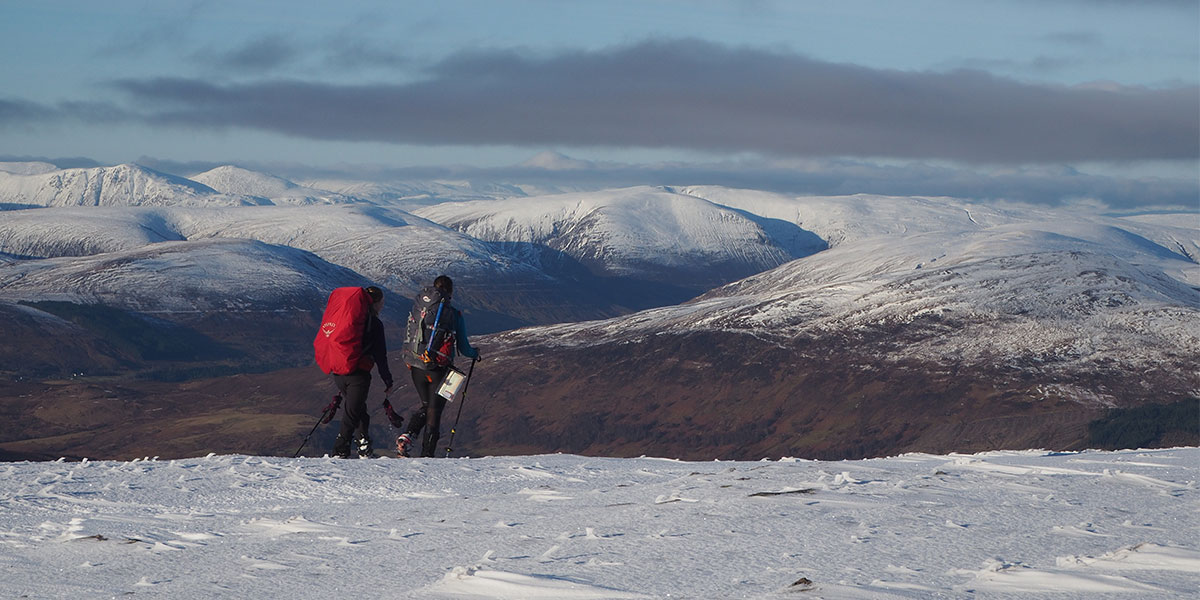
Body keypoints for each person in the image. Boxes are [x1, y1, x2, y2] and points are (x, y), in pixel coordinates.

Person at [397, 275, 480, 457]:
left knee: (426, 405)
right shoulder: (453, 314)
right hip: (438, 370)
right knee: (434, 413)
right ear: (450, 292)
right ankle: (427, 457)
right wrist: (476, 353)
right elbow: (464, 348)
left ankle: (408, 436)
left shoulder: (420, 310)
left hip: (416, 367)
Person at [331, 286, 394, 458]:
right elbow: (380, 356)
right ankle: (340, 450)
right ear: (376, 303)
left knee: (358, 408)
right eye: (382, 302)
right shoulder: (374, 324)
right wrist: (387, 380)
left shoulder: (349, 320)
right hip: (358, 375)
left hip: (339, 372)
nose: (382, 305)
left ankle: (364, 445)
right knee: (352, 412)